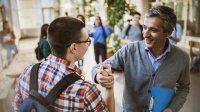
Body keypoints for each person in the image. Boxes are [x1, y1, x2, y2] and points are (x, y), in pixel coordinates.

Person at [92, 6, 190, 112]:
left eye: (153, 30)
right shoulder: (129, 51)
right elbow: (98, 67)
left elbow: (184, 88)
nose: (145, 34)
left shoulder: (182, 58)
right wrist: (99, 75)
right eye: (144, 27)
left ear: (168, 33)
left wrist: (171, 109)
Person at [14, 17, 115, 112]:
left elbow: (18, 106)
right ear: (74, 47)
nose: (88, 45)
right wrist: (109, 87)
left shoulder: (28, 71)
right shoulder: (85, 91)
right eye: (87, 41)